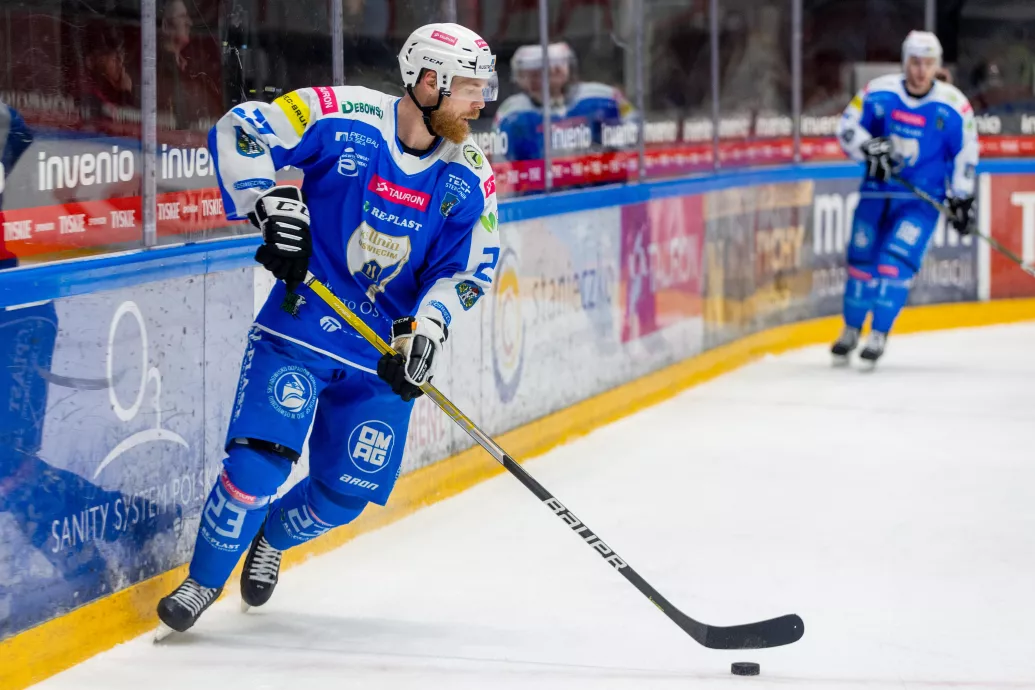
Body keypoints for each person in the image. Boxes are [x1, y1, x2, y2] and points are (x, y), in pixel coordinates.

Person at [156, 22, 500, 634]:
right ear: (428, 81)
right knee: (257, 465)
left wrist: (426, 329)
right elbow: (243, 128)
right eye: (470, 88)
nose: (481, 103)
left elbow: (468, 270)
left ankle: (269, 538)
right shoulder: (343, 113)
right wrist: (269, 205)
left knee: (343, 496)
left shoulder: (470, 173)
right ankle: (203, 582)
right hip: (302, 327)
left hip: (381, 354)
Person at [830, 31, 977, 365]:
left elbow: (966, 154)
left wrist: (962, 198)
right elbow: (848, 126)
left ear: (937, 65)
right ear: (904, 61)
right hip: (876, 194)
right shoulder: (878, 92)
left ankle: (879, 333)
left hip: (919, 202)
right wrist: (867, 147)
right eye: (915, 62)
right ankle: (851, 330)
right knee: (861, 263)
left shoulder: (954, 106)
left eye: (928, 63)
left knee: (893, 264)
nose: (921, 71)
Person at [494, 42, 636, 162]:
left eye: (556, 67)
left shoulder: (604, 97)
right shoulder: (511, 113)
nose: (550, 73)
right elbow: (501, 161)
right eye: (532, 72)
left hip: (601, 182)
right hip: (539, 185)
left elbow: (635, 132)